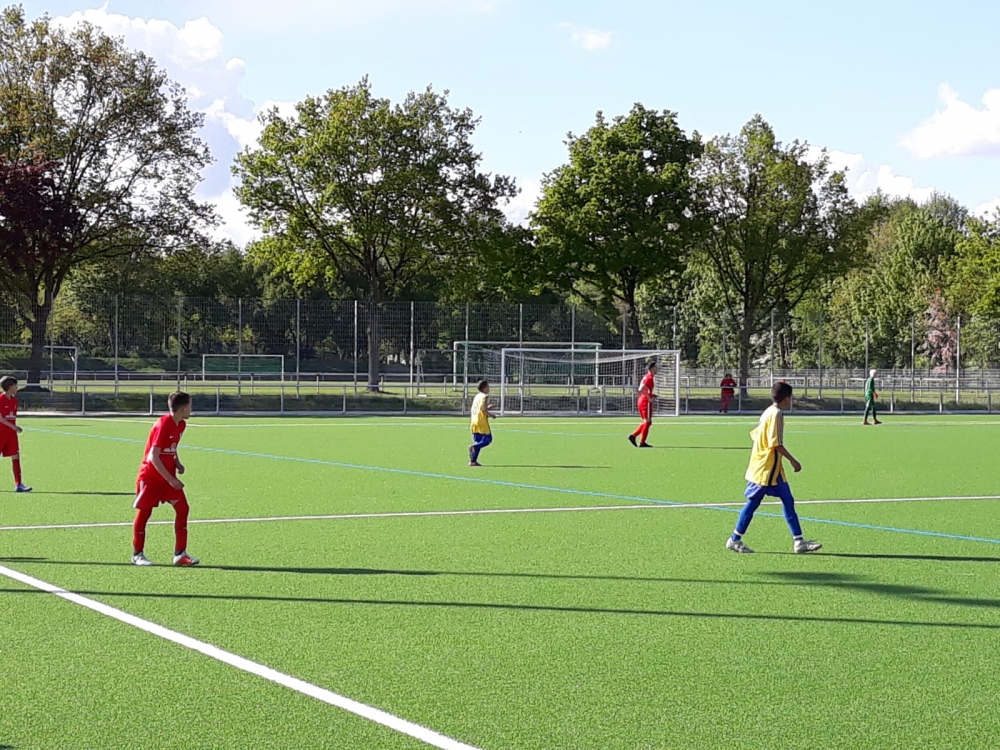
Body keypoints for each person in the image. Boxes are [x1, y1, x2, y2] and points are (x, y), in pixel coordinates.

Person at [726, 381, 822, 554]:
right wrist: (793, 460)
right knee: (753, 502)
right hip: (766, 468)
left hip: (773, 468)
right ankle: (734, 539)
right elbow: (775, 443)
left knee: (787, 499)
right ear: (786, 399)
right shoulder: (776, 414)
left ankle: (799, 541)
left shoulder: (768, 411)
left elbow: (756, 434)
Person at [131, 391, 198, 567]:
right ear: (183, 408)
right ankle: (137, 554)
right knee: (144, 514)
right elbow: (153, 456)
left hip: (167, 478)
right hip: (151, 478)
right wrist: (172, 480)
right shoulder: (163, 424)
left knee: (183, 508)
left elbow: (170, 447)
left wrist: (177, 462)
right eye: (190, 406)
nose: (191, 409)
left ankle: (180, 554)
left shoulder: (181, 425)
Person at [0, 376, 31, 493]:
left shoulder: (14, 401)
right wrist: (14, 427)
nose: (17, 388)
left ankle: (19, 485)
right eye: (15, 385)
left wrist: (13, 428)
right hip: (1, 434)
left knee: (16, 457)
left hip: (11, 436)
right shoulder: (0, 399)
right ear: (10, 387)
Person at [628, 361, 657, 448]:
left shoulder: (647, 377)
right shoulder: (649, 378)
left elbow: (644, 390)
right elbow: (640, 389)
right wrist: (649, 398)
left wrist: (651, 395)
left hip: (642, 400)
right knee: (647, 422)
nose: (657, 368)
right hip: (645, 402)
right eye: (655, 367)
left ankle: (637, 438)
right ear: (651, 368)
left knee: (648, 422)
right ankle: (638, 439)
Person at [468, 380, 496, 467]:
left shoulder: (477, 396)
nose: (489, 388)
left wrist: (487, 407)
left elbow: (479, 408)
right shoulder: (484, 396)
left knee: (478, 441)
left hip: (474, 420)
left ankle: (473, 461)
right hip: (481, 421)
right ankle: (474, 447)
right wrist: (491, 415)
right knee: (488, 439)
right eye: (488, 386)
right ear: (484, 388)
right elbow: (483, 410)